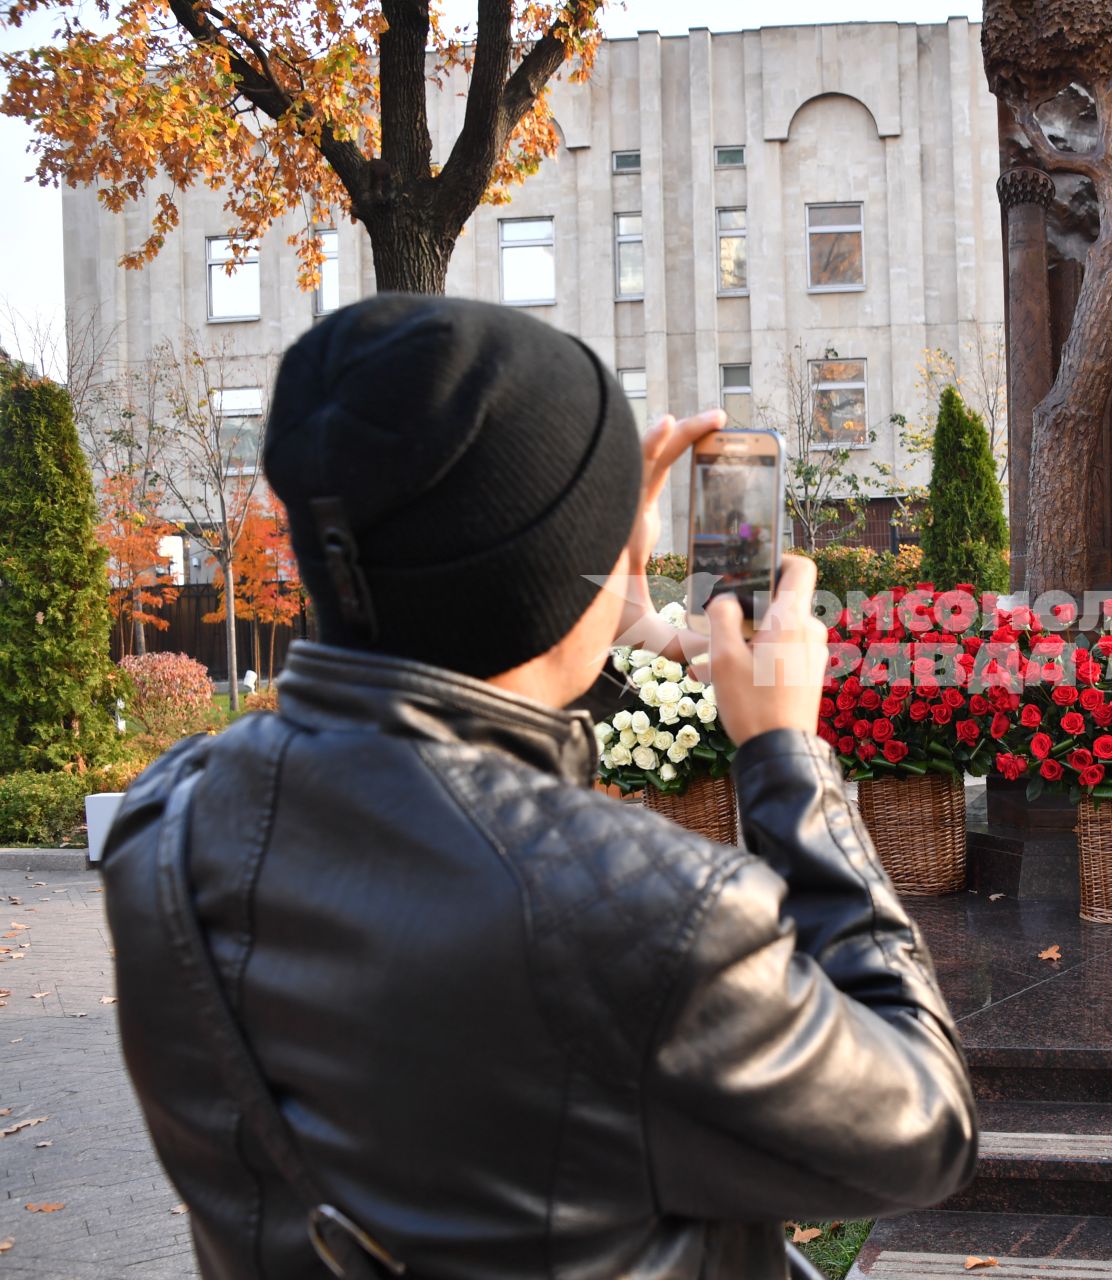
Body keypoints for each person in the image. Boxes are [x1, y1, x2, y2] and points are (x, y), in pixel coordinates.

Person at [100, 296, 977, 1278]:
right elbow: (922, 1126)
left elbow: (467, 790)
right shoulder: (657, 915)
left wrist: (599, 612)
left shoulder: (160, 824)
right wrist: (783, 752)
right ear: (564, 574)